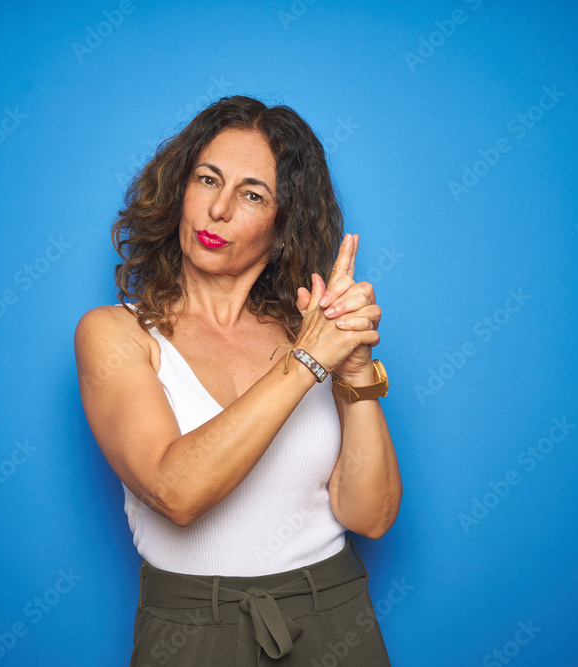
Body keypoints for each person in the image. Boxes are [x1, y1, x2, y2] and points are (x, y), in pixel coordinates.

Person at [75, 95, 401, 665]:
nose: (218, 209)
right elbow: (176, 492)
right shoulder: (117, 333)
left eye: (252, 193)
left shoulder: (311, 328)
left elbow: (369, 517)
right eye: (207, 179)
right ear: (180, 189)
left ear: (281, 228)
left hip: (333, 614)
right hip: (195, 627)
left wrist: (351, 373)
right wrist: (307, 362)